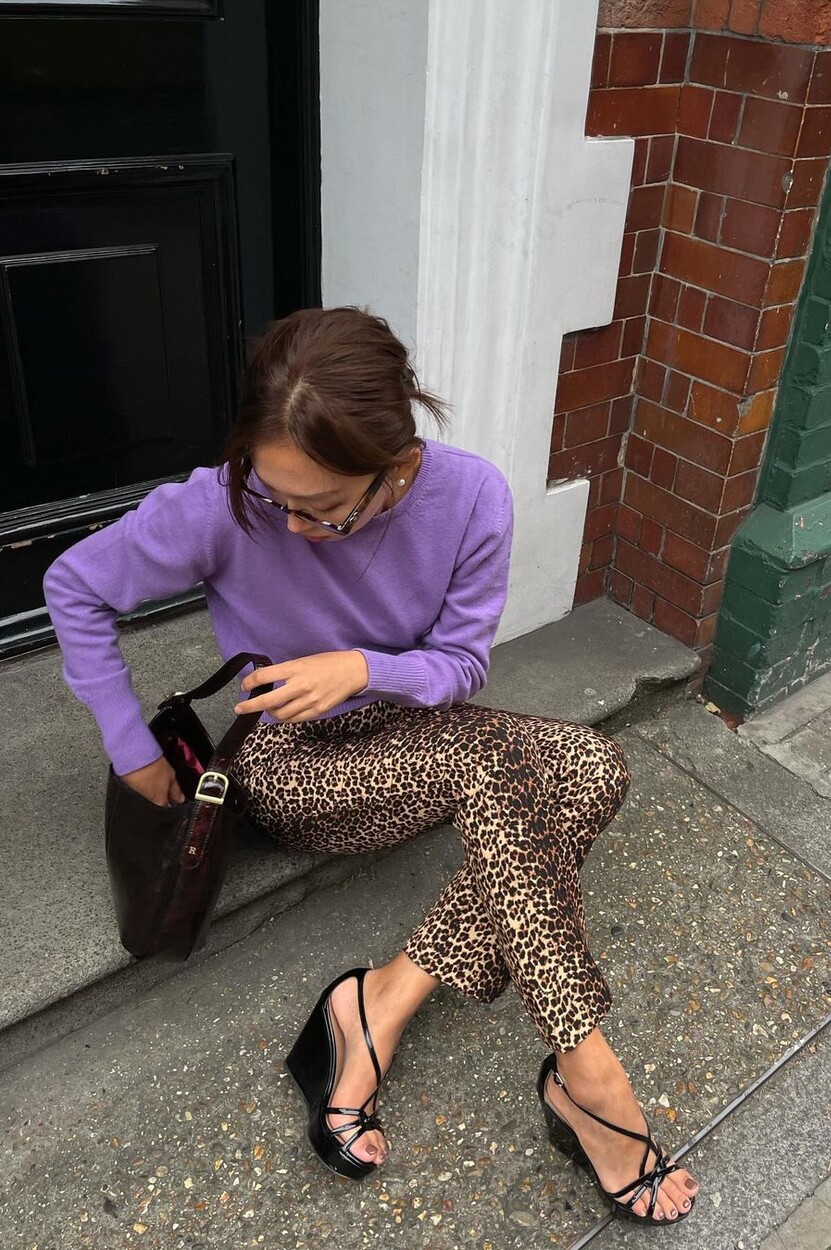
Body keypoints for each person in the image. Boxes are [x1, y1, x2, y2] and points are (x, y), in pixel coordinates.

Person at [43, 306, 700, 1226]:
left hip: (410, 738)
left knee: (595, 768)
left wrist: (362, 668)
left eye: (322, 507)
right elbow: (72, 586)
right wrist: (131, 748)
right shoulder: (221, 501)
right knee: (505, 768)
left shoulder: (470, 497)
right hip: (286, 760)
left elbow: (462, 664)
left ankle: (381, 1001)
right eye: (275, 496)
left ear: (395, 464)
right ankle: (589, 1073)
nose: (291, 521)